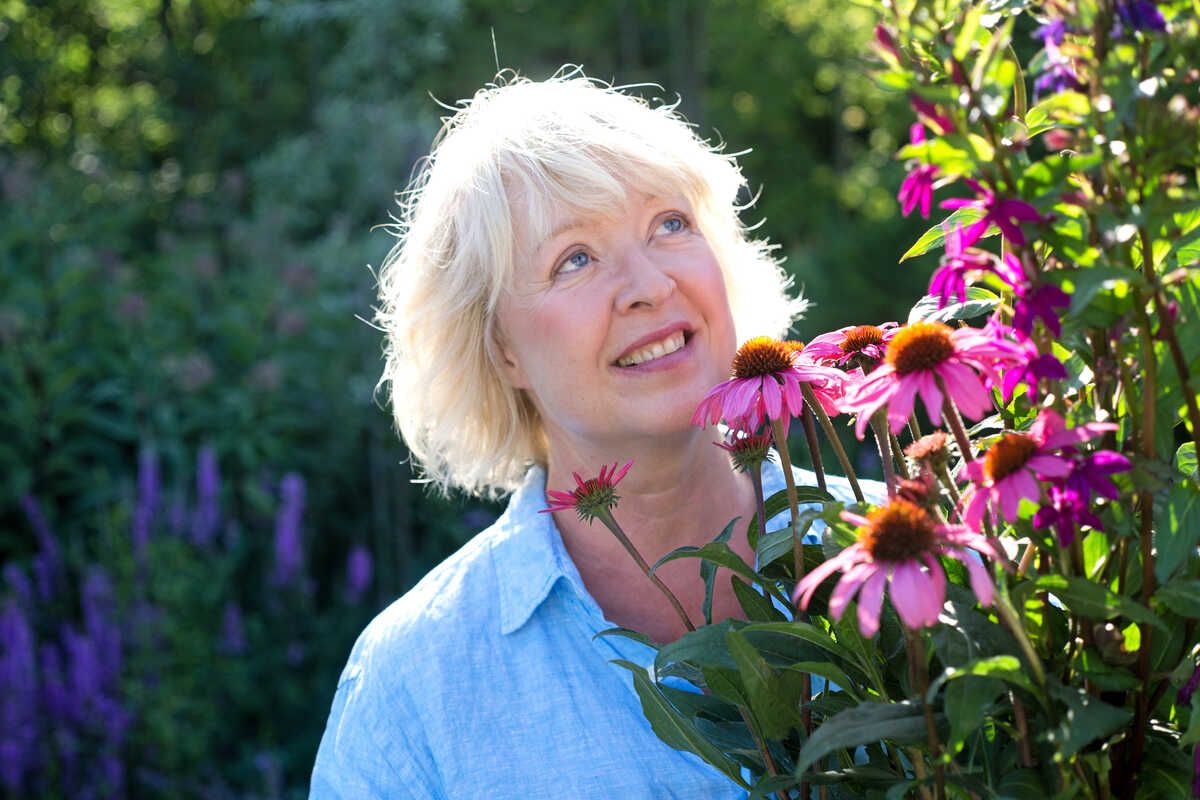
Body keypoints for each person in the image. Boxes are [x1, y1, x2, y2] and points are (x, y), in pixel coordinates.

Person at [309, 69, 866, 798]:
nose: (650, 284)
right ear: (502, 349)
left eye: (670, 224)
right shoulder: (412, 690)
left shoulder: (931, 555)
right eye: (575, 258)